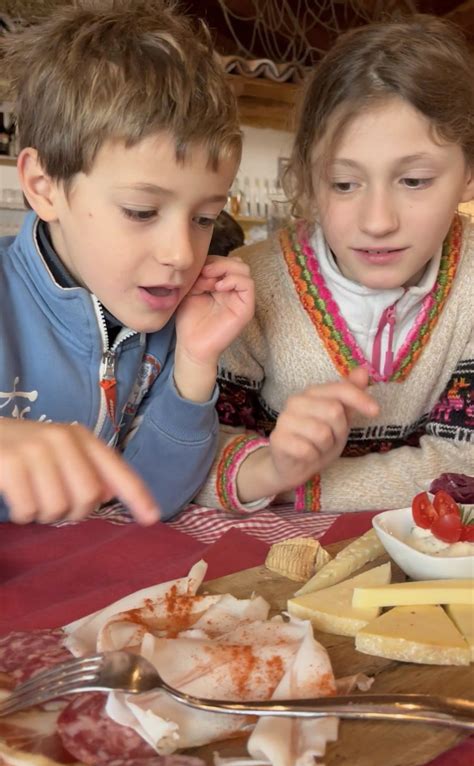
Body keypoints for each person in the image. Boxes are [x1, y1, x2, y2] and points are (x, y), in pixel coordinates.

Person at [195, 14, 474, 514]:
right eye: (344, 184)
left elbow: (467, 466)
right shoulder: (245, 288)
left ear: (469, 175)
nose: (378, 221)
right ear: (306, 179)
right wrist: (271, 466)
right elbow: (191, 460)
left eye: (413, 181)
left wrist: (296, 485)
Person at [0, 0, 255, 525]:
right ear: (44, 187)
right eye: (141, 211)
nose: (180, 255)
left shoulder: (165, 321)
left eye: (205, 218)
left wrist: (194, 364)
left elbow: (153, 500)